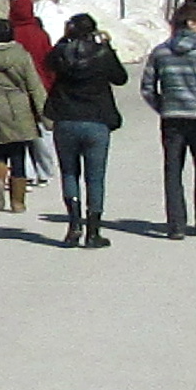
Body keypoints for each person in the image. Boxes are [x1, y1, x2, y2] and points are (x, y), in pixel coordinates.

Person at [139, 0, 196, 239]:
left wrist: (163, 106)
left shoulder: (161, 51)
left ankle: (176, 223)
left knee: (172, 170)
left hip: (172, 118)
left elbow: (147, 87)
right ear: (190, 23)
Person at [44, 13, 129, 250]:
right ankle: (94, 231)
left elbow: (47, 63)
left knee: (69, 173)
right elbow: (120, 78)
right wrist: (107, 47)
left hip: (65, 118)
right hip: (96, 119)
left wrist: (65, 40)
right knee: (95, 176)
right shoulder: (101, 53)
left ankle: (73, 226)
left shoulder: (62, 52)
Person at [0, 18, 48, 214]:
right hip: (19, 106)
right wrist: (45, 113)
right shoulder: (21, 55)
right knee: (18, 153)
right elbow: (34, 85)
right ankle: (18, 202)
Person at [8, 0, 57, 186]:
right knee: (43, 130)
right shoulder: (40, 34)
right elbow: (48, 60)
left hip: (17, 87)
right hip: (41, 85)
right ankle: (45, 170)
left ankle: (27, 171)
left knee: (21, 131)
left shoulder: (11, 34)